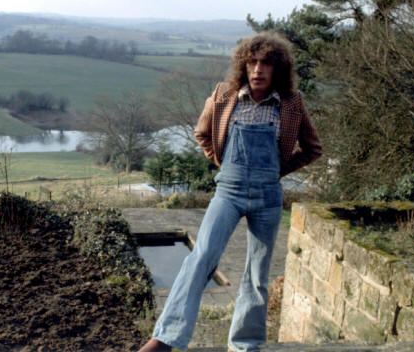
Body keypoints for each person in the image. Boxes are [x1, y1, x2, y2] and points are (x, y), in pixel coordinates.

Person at [138, 32, 322, 352]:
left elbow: (312, 149)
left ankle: (244, 345)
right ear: (243, 66)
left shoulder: (292, 103)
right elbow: (202, 133)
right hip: (229, 192)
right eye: (252, 62)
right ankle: (165, 339)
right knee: (201, 258)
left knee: (256, 274)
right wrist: (223, 163)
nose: (258, 69)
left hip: (268, 198)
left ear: (278, 69)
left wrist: (277, 171)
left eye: (266, 63)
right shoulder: (225, 95)